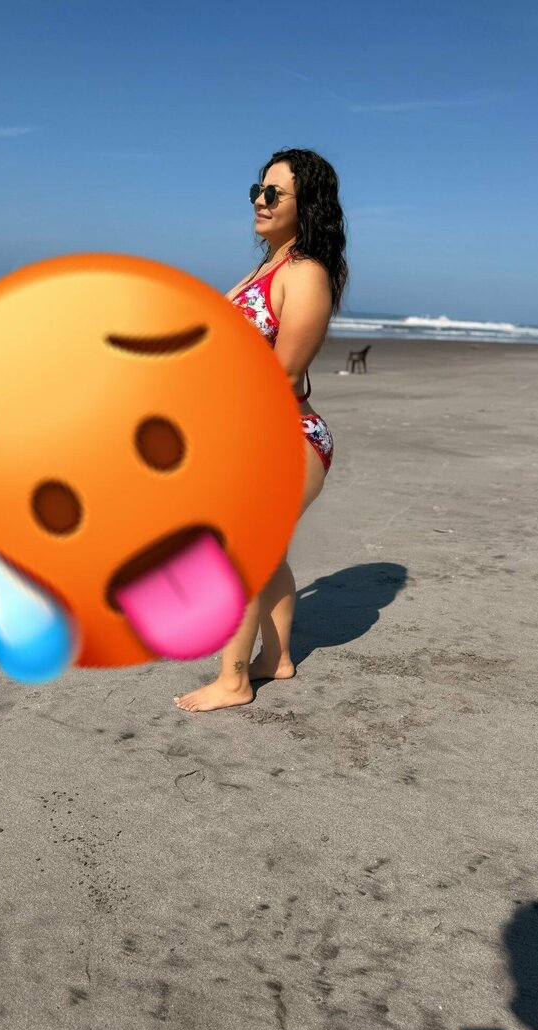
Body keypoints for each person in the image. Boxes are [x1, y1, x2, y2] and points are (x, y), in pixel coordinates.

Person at [174, 147, 348, 712]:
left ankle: (233, 680)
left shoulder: (306, 274)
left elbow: (283, 375)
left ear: (307, 204)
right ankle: (275, 658)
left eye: (274, 193)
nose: (260, 200)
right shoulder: (265, 268)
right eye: (257, 189)